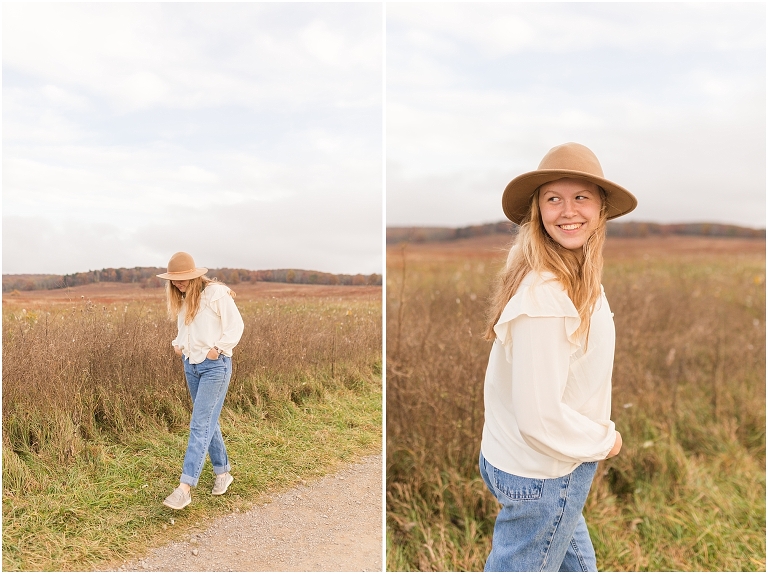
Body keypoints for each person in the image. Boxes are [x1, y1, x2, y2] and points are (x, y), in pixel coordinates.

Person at [479, 143, 637, 571]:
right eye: (554, 199)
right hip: (544, 472)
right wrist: (606, 441)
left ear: (601, 208)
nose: (568, 211)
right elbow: (539, 418)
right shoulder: (546, 295)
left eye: (581, 197)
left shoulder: (567, 268)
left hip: (537, 461)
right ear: (538, 209)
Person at [156, 252, 245, 510]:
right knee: (207, 421)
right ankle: (223, 472)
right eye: (174, 280)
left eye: (182, 279)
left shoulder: (216, 294)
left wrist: (218, 348)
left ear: (194, 275)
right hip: (191, 366)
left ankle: (185, 488)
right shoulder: (184, 300)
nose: (178, 284)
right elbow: (186, 329)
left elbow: (235, 326)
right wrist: (178, 344)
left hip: (215, 366)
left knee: (199, 424)